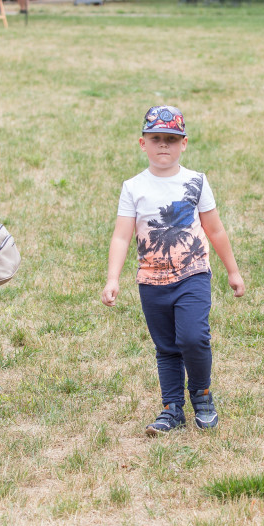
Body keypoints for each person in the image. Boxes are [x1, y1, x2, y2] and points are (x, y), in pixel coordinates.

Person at [101, 105, 245, 436]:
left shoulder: (196, 181)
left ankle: (202, 395)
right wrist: (113, 279)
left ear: (184, 144)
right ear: (143, 144)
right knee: (166, 347)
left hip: (192, 274)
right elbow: (122, 235)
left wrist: (232, 271)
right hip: (151, 281)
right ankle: (171, 409)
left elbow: (216, 229)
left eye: (171, 139)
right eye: (156, 139)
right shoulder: (133, 187)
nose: (163, 145)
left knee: (193, 338)